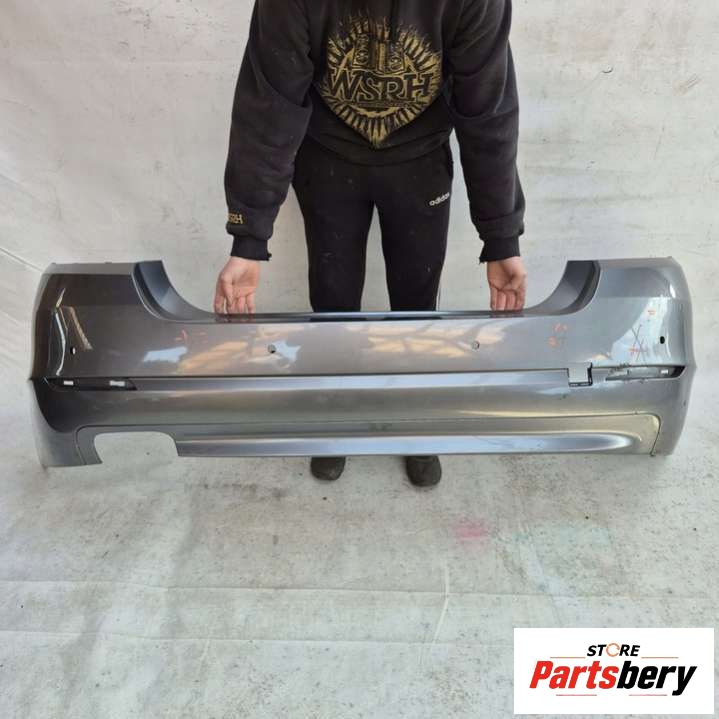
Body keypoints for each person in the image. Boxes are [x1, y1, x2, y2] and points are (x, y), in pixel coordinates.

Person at [214, 0, 528, 488]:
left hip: (421, 161)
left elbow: (488, 112)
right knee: (333, 299)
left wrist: (501, 237)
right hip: (326, 159)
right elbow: (268, 107)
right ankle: (337, 416)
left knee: (417, 302)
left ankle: (413, 420)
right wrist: (249, 238)